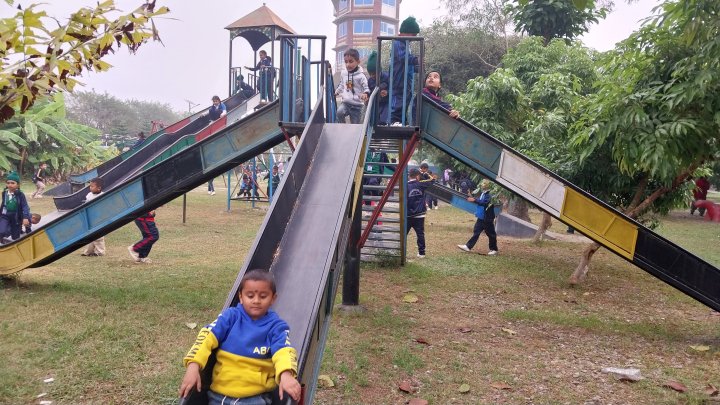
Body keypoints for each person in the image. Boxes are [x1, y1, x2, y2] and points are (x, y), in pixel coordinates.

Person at [179, 269, 301, 404]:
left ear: (273, 298)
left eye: (263, 296)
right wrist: (193, 366)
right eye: (250, 296)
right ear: (241, 297)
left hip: (255, 397)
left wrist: (286, 374)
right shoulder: (230, 317)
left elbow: (283, 351)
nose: (256, 301)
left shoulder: (276, 326)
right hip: (219, 396)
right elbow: (206, 337)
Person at [390, 16, 420, 125]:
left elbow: (408, 64)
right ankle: (394, 120)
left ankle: (403, 120)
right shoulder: (397, 43)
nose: (414, 38)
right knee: (398, 101)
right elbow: (403, 57)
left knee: (406, 99)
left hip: (407, 80)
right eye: (413, 35)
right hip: (399, 79)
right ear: (405, 32)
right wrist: (416, 60)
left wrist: (416, 68)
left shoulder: (406, 44)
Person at [457, 180, 498, 256]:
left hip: (487, 218)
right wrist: (473, 198)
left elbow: (485, 202)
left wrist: (474, 200)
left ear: (489, 185)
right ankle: (468, 246)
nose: (482, 185)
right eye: (482, 183)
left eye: (484, 183)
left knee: (491, 234)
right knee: (476, 231)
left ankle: (494, 249)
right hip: (481, 217)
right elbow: (480, 201)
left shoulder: (490, 194)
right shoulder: (483, 193)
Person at [335, 48, 369, 124]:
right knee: (339, 112)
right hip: (346, 103)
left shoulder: (361, 76)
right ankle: (343, 127)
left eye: (351, 61)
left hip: (357, 106)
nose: (348, 65)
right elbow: (342, 84)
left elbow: (366, 88)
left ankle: (354, 131)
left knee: (355, 124)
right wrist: (337, 92)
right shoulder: (344, 73)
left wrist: (365, 94)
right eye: (346, 62)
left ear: (358, 62)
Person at [407, 168, 434, 258]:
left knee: (403, 234)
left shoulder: (405, 185)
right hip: (419, 215)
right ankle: (421, 253)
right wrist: (425, 173)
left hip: (408, 215)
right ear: (418, 176)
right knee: (420, 234)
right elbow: (432, 180)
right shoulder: (421, 184)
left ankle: (399, 250)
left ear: (409, 176)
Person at [0, 171, 31, 242]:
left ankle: (15, 231)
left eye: (12, 183)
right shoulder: (4, 193)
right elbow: (3, 204)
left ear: (18, 185)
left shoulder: (20, 194)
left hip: (16, 217)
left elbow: (25, 206)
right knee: (2, 231)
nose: (10, 185)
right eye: (8, 183)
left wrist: (25, 217)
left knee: (15, 237)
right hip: (5, 215)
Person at [81, 177, 106, 257]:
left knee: (98, 236)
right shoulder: (89, 195)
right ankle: (89, 251)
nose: (90, 188)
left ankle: (100, 252)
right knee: (89, 235)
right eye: (90, 186)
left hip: (99, 218)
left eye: (92, 186)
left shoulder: (103, 196)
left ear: (99, 188)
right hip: (90, 218)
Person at [366, 51, 390, 125]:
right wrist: (367, 97)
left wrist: (387, 92)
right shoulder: (370, 81)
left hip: (386, 103)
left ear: (379, 70)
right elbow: (369, 92)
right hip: (376, 104)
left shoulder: (387, 77)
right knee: (373, 121)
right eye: (370, 74)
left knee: (384, 121)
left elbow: (393, 89)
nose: (372, 76)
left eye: (374, 73)